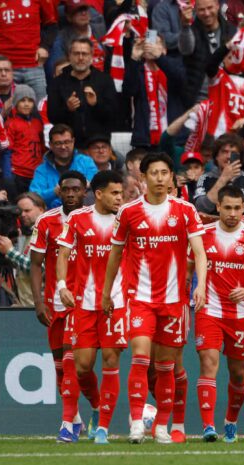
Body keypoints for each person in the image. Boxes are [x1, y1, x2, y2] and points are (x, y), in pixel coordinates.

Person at [102, 152, 207, 444]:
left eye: (164, 173)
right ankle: (137, 422)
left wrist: (201, 285)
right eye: (154, 173)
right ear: (143, 177)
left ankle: (161, 426)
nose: (159, 178)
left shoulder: (185, 211)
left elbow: (200, 252)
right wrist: (107, 292)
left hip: (174, 301)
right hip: (140, 299)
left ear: (171, 177)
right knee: (140, 357)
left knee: (166, 366)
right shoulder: (129, 212)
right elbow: (115, 255)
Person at [190, 185, 244, 443]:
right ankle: (208, 427)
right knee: (208, 363)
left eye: (237, 208)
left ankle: (231, 421)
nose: (232, 213)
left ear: (243, 208)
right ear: (218, 207)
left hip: (239, 314)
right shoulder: (203, 235)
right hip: (209, 310)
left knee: (238, 373)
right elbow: (189, 266)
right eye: (228, 208)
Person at [55, 171, 125, 445]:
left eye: (121, 193)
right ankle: (94, 407)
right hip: (83, 302)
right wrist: (62, 286)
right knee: (81, 366)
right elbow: (63, 254)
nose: (119, 198)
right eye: (114, 193)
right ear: (99, 194)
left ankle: (101, 428)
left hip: (115, 303)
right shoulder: (78, 218)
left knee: (110, 360)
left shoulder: (126, 219)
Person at [29, 170, 87, 442]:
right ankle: (75, 418)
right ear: (59, 192)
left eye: (76, 189)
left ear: (85, 191)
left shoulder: (93, 220)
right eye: (67, 190)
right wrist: (38, 301)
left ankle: (71, 421)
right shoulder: (46, 221)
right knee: (60, 366)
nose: (71, 194)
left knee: (74, 361)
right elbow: (35, 264)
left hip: (84, 303)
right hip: (55, 303)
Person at [0, 0, 58, 100]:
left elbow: (51, 26)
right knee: (0, 107)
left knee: (40, 106)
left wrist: (45, 47)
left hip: (33, 64)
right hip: (4, 68)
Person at [47, 38, 116, 140]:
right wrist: (68, 108)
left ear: (91, 56)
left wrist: (95, 104)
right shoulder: (57, 82)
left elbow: (113, 115)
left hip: (98, 143)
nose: (80, 58)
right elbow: (53, 117)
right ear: (69, 56)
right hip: (69, 144)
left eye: (84, 54)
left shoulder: (105, 80)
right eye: (76, 54)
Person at [0, 192, 46, 307]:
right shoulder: (26, 234)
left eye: (27, 210)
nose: (22, 215)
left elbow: (41, 269)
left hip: (42, 306)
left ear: (41, 210)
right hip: (26, 305)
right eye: (20, 211)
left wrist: (10, 251)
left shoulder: (48, 232)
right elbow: (22, 266)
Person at [178, 0, 236, 106]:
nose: (207, 13)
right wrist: (185, 27)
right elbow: (185, 50)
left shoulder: (231, 31)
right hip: (200, 100)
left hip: (227, 97)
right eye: (202, 10)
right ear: (195, 10)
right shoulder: (192, 31)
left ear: (217, 6)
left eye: (210, 8)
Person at [30, 124, 98, 209]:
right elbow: (34, 197)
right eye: (58, 143)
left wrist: (84, 185)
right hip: (52, 213)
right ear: (50, 145)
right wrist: (54, 192)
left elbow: (96, 185)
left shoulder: (86, 162)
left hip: (84, 211)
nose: (63, 147)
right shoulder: (41, 170)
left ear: (73, 141)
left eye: (67, 142)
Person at [194, 133, 244, 215]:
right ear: (216, 156)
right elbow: (200, 208)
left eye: (233, 153)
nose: (228, 156)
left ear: (240, 157)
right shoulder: (204, 179)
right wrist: (223, 178)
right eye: (224, 152)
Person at [7, 85, 46, 195]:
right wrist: (8, 173)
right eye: (22, 100)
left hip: (36, 172)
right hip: (19, 173)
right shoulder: (11, 123)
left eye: (30, 101)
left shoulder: (38, 123)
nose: (26, 104)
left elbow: (43, 148)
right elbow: (7, 150)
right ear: (16, 102)